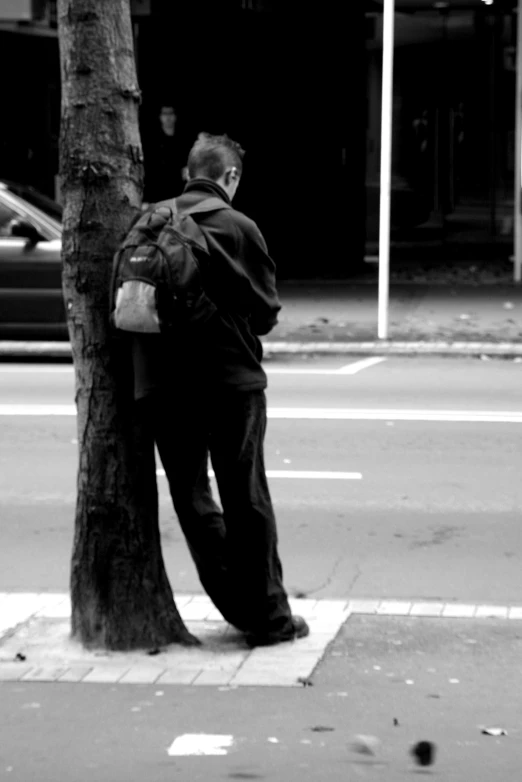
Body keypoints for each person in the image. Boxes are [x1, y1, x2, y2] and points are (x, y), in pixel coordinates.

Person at [132, 132, 309, 646]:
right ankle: (270, 619)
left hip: (164, 386)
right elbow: (266, 314)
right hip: (230, 384)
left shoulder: (149, 221)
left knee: (191, 494)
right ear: (229, 177)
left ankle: (235, 604)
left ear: (189, 174)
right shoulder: (238, 226)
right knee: (244, 495)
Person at [143, 104, 188, 203]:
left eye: (170, 113)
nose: (168, 117)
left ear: (175, 116)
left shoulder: (183, 139)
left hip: (178, 186)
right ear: (160, 117)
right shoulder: (153, 140)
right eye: (165, 114)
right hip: (158, 187)